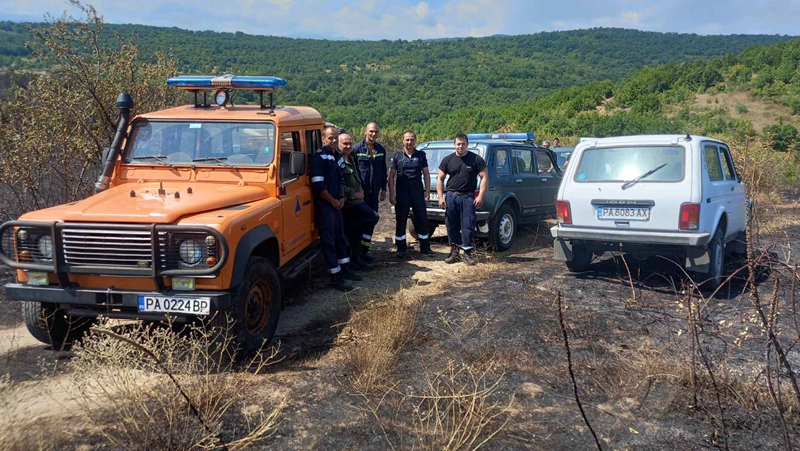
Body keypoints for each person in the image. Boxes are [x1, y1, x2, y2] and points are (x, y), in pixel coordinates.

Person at [310, 126, 362, 292]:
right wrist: (333, 201)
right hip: (326, 206)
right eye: (330, 138)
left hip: (337, 204)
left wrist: (342, 198)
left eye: (335, 138)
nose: (333, 141)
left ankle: (345, 269)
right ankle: (335, 276)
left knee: (341, 238)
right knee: (329, 241)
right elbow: (318, 185)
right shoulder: (319, 158)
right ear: (323, 139)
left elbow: (341, 180)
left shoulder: (337, 156)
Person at [437, 133, 488, 266]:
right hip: (451, 196)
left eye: (463, 144)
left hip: (468, 197)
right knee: (451, 225)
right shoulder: (447, 160)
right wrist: (441, 197)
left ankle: (467, 253)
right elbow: (440, 179)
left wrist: (480, 196)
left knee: (468, 226)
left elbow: (485, 177)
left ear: (467, 144)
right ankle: (454, 253)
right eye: (458, 144)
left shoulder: (476, 159)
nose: (460, 146)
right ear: (454, 145)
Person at [388, 131, 434, 258]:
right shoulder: (397, 156)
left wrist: (427, 192)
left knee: (422, 219)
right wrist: (392, 195)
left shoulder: (421, 155)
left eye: (412, 140)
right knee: (401, 220)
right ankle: (401, 247)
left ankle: (425, 246)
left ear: (415, 140)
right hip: (402, 192)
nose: (409, 142)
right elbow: (391, 176)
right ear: (403, 140)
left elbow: (426, 174)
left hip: (417, 192)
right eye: (407, 140)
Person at [339, 133, 379, 271]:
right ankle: (355, 256)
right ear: (338, 144)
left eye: (350, 143)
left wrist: (360, 188)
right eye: (345, 144)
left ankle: (357, 256)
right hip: (350, 203)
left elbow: (355, 177)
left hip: (358, 199)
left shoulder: (350, 157)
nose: (348, 146)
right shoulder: (338, 161)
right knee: (372, 216)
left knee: (357, 229)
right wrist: (354, 193)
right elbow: (338, 185)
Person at [353, 122, 387, 261]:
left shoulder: (380, 149)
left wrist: (384, 188)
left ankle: (364, 252)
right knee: (359, 222)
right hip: (361, 195)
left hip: (374, 193)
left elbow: (383, 170)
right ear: (365, 131)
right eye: (371, 131)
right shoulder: (356, 149)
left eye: (376, 132)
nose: (373, 134)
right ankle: (355, 253)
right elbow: (352, 170)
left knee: (371, 222)